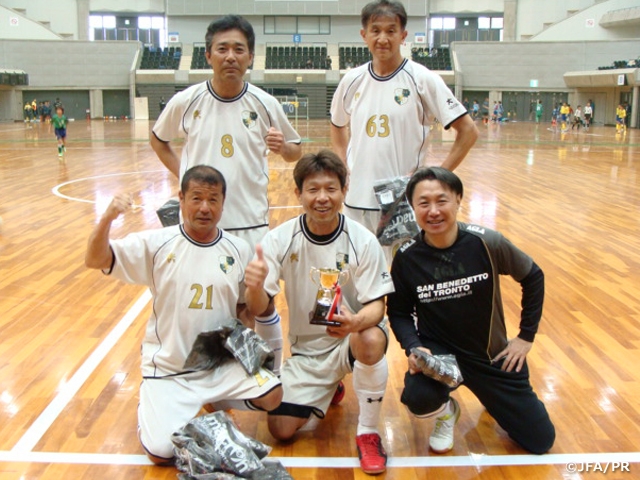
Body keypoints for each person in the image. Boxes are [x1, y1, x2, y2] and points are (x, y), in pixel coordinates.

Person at [84, 165, 283, 465]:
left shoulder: (237, 249)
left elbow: (252, 310)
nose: (205, 207)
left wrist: (256, 287)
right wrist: (108, 218)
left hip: (217, 365)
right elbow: (95, 258)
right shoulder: (157, 244)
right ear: (181, 199)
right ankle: (154, 406)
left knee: (273, 395)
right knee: (161, 453)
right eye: (197, 198)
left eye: (213, 199)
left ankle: (212, 401)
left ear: (223, 203)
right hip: (169, 370)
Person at [244, 150, 395, 475]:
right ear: (298, 193)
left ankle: (368, 433)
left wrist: (354, 322)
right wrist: (254, 288)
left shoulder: (363, 241)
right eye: (313, 189)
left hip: (351, 338)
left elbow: (377, 306)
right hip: (308, 353)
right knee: (280, 429)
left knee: (369, 338)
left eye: (331, 189)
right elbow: (260, 309)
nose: (322, 198)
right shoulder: (279, 240)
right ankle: (330, 384)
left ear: (344, 190)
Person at [386, 166, 555, 456]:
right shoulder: (406, 257)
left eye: (442, 201)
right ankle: (446, 412)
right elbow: (398, 312)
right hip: (441, 357)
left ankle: (494, 395)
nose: (434, 211)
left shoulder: (487, 242)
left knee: (540, 441)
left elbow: (533, 276)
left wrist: (525, 336)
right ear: (413, 207)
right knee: (418, 398)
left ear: (458, 200)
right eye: (423, 203)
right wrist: (415, 348)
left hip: (490, 355)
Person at [331, 0, 478, 261]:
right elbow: (337, 125)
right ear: (364, 35)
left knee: (400, 281)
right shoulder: (352, 80)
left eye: (391, 31)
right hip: (355, 198)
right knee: (356, 279)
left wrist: (436, 177)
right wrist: (342, 165)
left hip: (400, 202)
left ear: (403, 36)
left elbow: (468, 131)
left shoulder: (422, 79)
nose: (383, 38)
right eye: (376, 30)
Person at [151, 14, 302, 249]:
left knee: (254, 286)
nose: (230, 56)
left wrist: (282, 147)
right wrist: (185, 176)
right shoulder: (186, 101)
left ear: (250, 57)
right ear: (209, 56)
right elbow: (158, 140)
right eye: (222, 49)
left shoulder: (265, 103)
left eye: (239, 49)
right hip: (199, 223)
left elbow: (296, 151)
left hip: (251, 223)